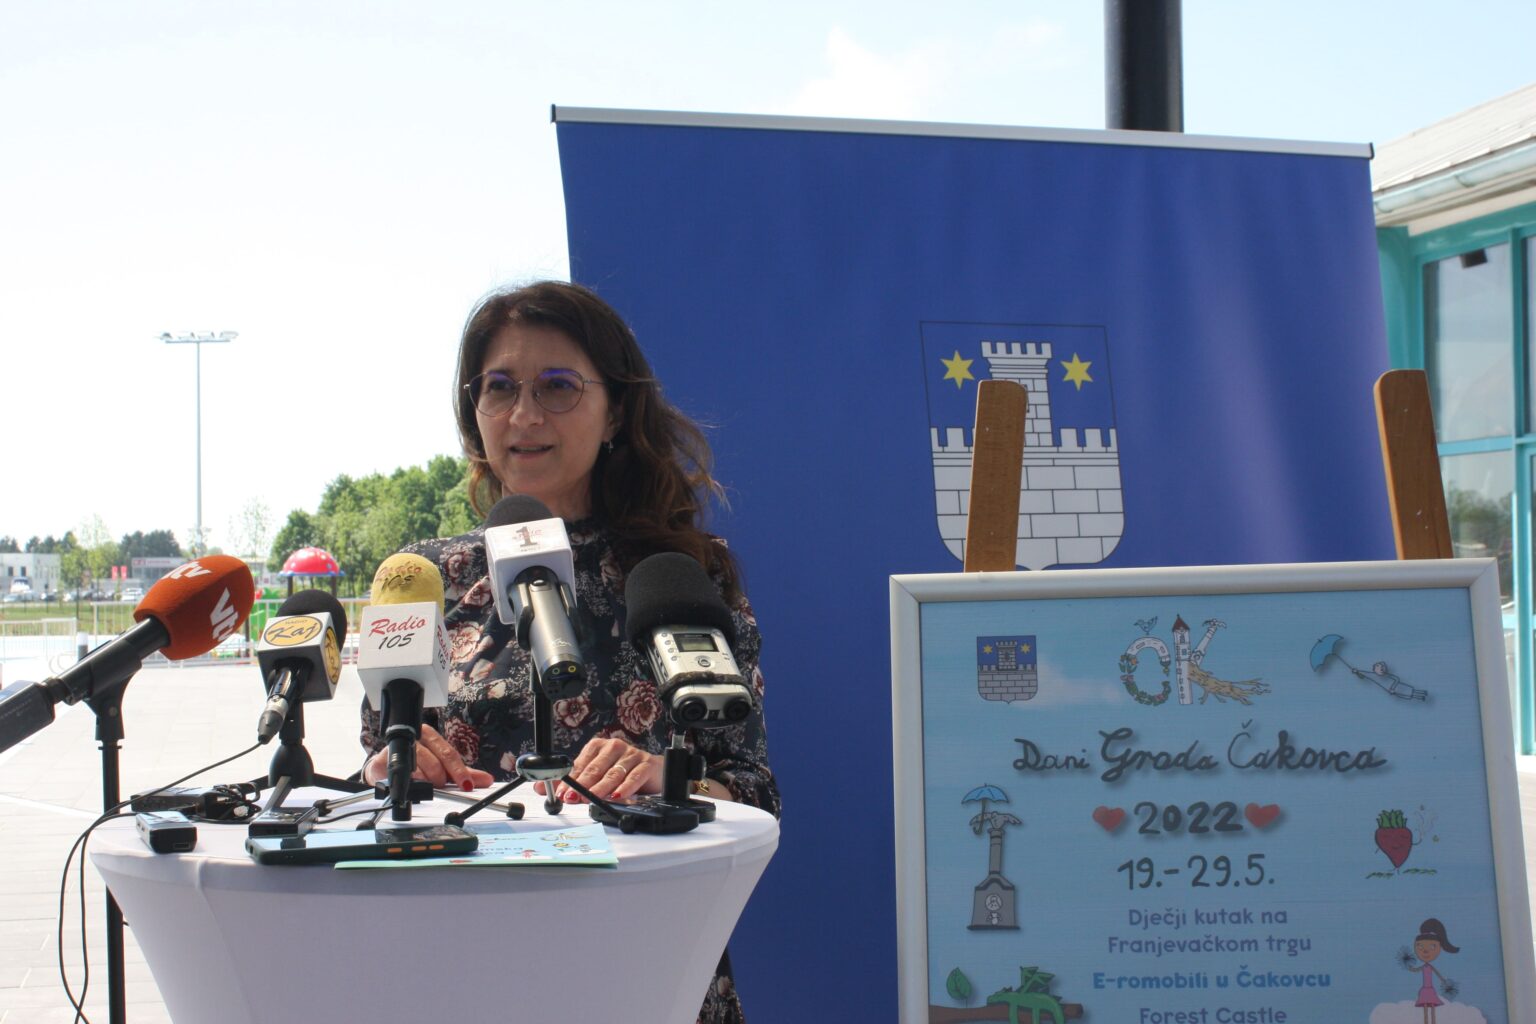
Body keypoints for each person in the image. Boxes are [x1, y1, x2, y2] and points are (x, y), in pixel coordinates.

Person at [358, 280, 778, 1024]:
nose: (524, 415)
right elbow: (376, 774)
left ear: (615, 411)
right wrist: (392, 770)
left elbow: (753, 790)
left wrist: (668, 778)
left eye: (557, 386)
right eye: (500, 388)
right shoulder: (424, 576)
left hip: (645, 964)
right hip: (458, 962)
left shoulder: (682, 574)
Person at [1405, 917, 1459, 1023]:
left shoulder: (1430, 967)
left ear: (1440, 947)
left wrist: (1445, 982)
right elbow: (1416, 970)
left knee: (1432, 1006)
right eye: (1420, 947)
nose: (1425, 951)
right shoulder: (1424, 967)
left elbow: (1438, 975)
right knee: (1425, 1006)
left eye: (1432, 947)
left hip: (1430, 990)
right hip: (1424, 990)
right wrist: (1410, 967)